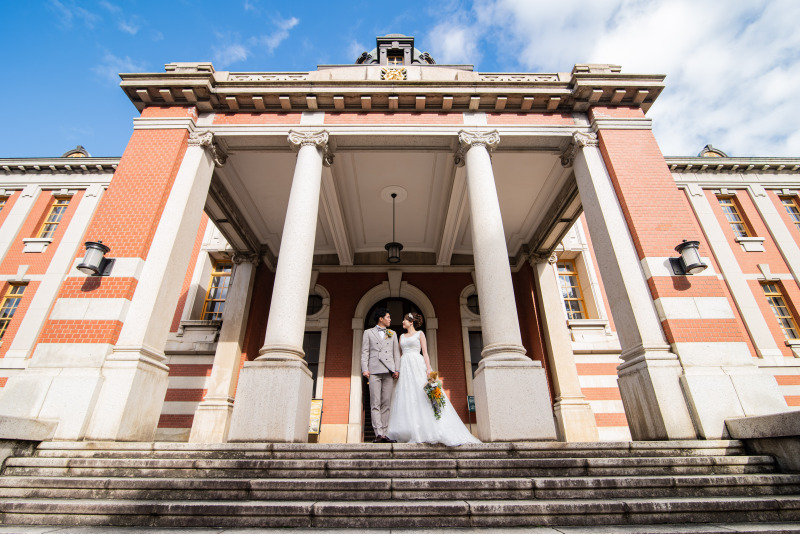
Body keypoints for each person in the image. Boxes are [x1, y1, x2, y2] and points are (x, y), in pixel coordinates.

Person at [386, 312, 480, 446]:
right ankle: (409, 430)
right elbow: (399, 355)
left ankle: (427, 429)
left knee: (422, 394)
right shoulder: (401, 336)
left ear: (411, 322)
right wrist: (397, 369)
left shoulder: (420, 334)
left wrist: (428, 369)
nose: (402, 322)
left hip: (417, 364)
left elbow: (425, 353)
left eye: (404, 320)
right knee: (407, 395)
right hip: (405, 366)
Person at [361, 308, 401, 443]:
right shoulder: (368, 332)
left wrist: (397, 369)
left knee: (386, 403)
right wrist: (365, 369)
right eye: (388, 317)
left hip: (389, 371)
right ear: (381, 318)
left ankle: (384, 433)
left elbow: (396, 353)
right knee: (375, 403)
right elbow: (365, 352)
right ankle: (378, 433)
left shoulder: (392, 333)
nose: (390, 319)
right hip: (374, 371)